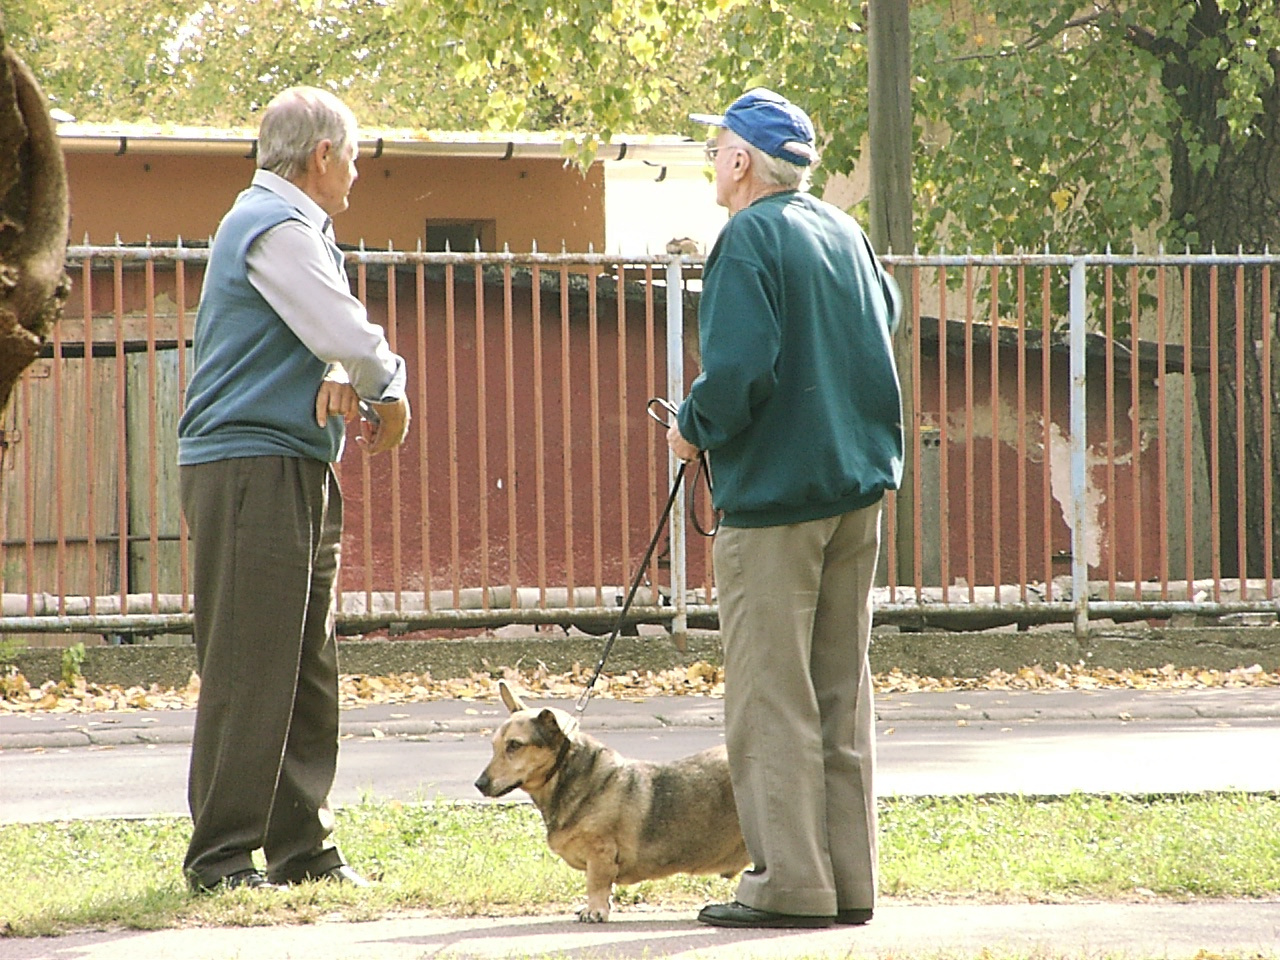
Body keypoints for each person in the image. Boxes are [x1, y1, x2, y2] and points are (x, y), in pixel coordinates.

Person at [668, 88, 904, 929]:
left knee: (772, 697)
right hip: (857, 491)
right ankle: (849, 882)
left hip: (774, 504)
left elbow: (737, 373)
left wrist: (692, 430)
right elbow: (887, 324)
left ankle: (790, 885)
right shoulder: (846, 233)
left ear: (741, 161)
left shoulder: (747, 239)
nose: (711, 160)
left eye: (716, 146)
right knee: (841, 691)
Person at [177, 86, 410, 892]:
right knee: (250, 665)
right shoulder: (273, 224)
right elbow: (344, 329)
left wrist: (341, 372)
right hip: (250, 467)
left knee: (305, 664)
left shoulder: (290, 226)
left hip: (289, 462)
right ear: (321, 157)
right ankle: (220, 859)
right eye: (353, 156)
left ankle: (303, 850)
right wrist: (390, 384)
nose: (357, 172)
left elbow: (320, 339)